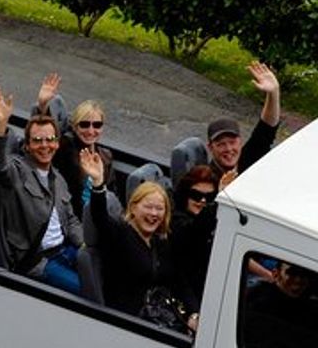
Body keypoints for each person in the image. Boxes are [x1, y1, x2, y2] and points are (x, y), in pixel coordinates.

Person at [79, 148, 198, 331]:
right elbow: (100, 216)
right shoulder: (120, 235)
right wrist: (98, 183)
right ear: (133, 208)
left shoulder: (161, 242)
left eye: (159, 209)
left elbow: (179, 281)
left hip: (160, 316)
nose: (153, 213)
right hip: (129, 325)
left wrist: (194, 313)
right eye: (148, 207)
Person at [0, 88, 83, 293]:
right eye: (37, 141)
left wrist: (86, 247)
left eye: (50, 140)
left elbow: (71, 220)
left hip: (65, 250)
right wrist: (1, 126)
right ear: (27, 146)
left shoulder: (58, 179)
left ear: (57, 143)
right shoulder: (17, 172)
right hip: (38, 261)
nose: (44, 146)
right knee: (85, 290)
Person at [36, 74, 115, 219]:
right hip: (70, 217)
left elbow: (112, 195)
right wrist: (42, 106)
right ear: (74, 126)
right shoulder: (65, 146)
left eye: (97, 125)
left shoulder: (105, 156)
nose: (90, 131)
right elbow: (45, 134)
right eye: (84, 125)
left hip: (98, 217)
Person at [206, 61, 282, 180]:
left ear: (240, 142)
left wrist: (273, 93)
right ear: (210, 148)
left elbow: (267, 129)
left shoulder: (247, 158)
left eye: (232, 142)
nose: (228, 149)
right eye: (221, 144)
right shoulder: (204, 178)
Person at [169, 165, 220, 301]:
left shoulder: (213, 221)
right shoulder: (176, 222)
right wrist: (215, 204)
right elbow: (196, 231)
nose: (203, 201)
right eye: (196, 195)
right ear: (185, 195)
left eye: (209, 197)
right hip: (186, 294)